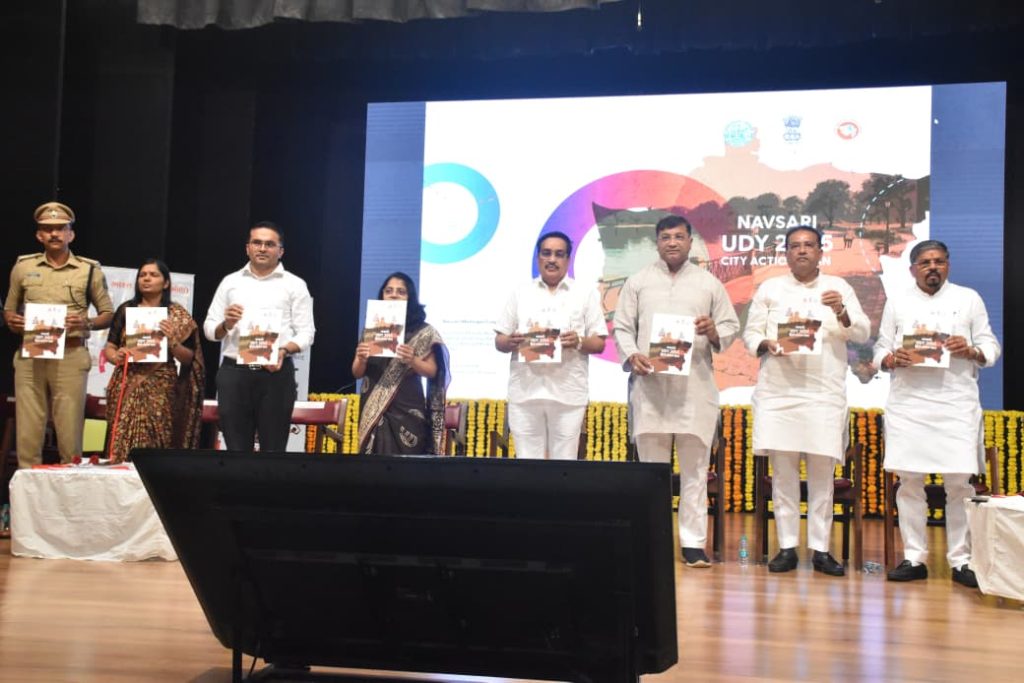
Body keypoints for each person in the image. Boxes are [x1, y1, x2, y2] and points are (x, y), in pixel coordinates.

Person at [613, 214, 740, 568]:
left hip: (694, 391)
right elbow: (622, 327)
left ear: (690, 242)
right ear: (656, 242)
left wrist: (713, 331)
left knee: (695, 473)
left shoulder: (708, 283)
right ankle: (652, 540)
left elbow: (729, 326)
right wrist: (632, 354)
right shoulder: (638, 282)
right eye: (666, 237)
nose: (672, 242)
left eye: (679, 237)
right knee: (651, 475)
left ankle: (693, 544)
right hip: (650, 389)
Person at [873, 239, 1000, 588]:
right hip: (909, 405)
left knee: (959, 485)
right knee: (909, 484)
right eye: (926, 262)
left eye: (939, 261)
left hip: (955, 404)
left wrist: (971, 350)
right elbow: (881, 348)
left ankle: (961, 561)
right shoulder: (898, 301)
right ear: (913, 269)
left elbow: (990, 346)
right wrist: (889, 359)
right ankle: (914, 558)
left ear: (948, 265)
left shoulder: (968, 298)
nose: (933, 267)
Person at [743, 226, 869, 576]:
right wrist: (765, 344)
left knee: (821, 477)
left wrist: (841, 310)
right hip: (779, 393)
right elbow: (751, 333)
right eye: (795, 246)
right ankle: (786, 547)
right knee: (783, 476)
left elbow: (861, 332)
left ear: (819, 251)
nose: (802, 251)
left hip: (822, 394)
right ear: (786, 252)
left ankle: (821, 550)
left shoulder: (838, 287)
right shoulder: (770, 288)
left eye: (808, 245)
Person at [3, 202, 113, 468]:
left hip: (70, 354)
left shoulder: (88, 270)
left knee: (69, 431)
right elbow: (9, 310)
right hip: (31, 354)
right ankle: (29, 488)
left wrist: (86, 321)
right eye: (47, 229)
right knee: (28, 431)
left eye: (61, 228)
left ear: (70, 234)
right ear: (39, 235)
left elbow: (108, 313)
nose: (54, 233)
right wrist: (13, 320)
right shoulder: (23, 267)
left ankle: (69, 486)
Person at [493, 232, 607, 459]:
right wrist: (510, 341)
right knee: (527, 464)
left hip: (568, 394)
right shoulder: (520, 293)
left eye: (559, 254)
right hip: (525, 393)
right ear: (538, 258)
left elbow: (599, 343)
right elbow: (499, 341)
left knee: (564, 466)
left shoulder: (584, 294)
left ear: (568, 259)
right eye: (546, 253)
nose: (552, 259)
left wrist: (579, 341)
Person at [203, 221, 315, 451]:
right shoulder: (230, 282)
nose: (262, 248)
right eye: (257, 243)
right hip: (235, 373)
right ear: (248, 248)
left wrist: (283, 350)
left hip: (275, 374)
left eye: (269, 244)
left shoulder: (295, 285)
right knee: (236, 450)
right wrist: (226, 324)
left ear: (280, 251)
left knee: (273, 450)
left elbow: (307, 332)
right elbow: (209, 329)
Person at [102, 259, 205, 463]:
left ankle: (152, 479)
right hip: (127, 381)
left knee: (157, 437)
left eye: (153, 275)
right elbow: (110, 347)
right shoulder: (126, 309)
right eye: (142, 275)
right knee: (120, 440)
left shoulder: (176, 315)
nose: (146, 278)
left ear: (166, 283)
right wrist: (116, 356)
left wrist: (172, 341)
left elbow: (189, 359)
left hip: (161, 384)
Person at [353, 272, 448, 455]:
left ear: (410, 297)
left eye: (401, 292)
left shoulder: (423, 331)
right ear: (382, 295)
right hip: (372, 405)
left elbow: (433, 371)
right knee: (372, 463)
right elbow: (357, 373)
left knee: (406, 464)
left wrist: (413, 360)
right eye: (388, 291)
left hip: (407, 406)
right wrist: (361, 359)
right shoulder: (373, 328)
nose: (394, 295)